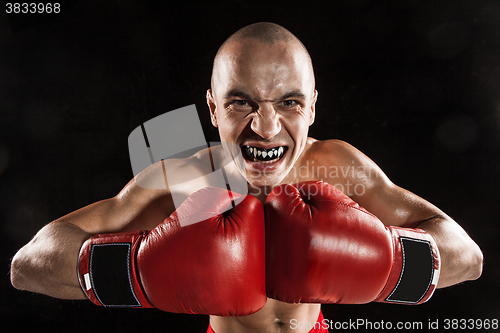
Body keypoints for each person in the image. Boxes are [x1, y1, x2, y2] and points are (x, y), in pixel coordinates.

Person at [10, 22, 483, 333]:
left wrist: (391, 265)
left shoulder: (336, 168)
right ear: (214, 109)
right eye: (242, 103)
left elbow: (468, 257)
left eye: (288, 103)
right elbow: (28, 265)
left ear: (313, 107)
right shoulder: (187, 180)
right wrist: (136, 271)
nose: (267, 127)